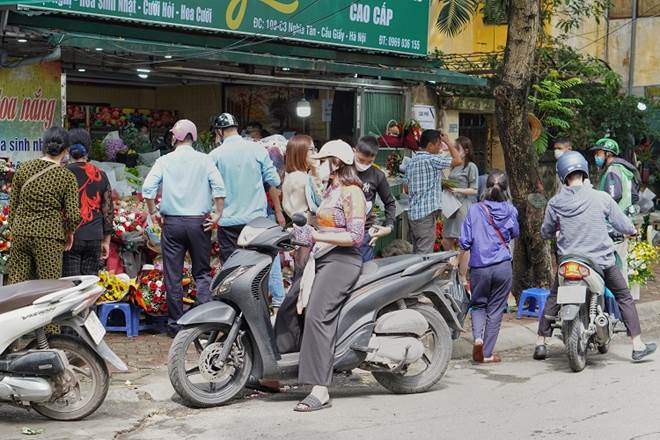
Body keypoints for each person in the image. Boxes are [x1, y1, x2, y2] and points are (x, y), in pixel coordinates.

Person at [533, 151, 656, 361]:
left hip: (569, 261)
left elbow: (545, 231)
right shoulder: (601, 198)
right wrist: (632, 230)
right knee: (624, 296)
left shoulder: (555, 202)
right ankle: (637, 345)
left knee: (554, 296)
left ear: (562, 176)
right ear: (585, 172)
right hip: (599, 260)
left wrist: (554, 232)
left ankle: (541, 343)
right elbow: (623, 224)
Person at [275, 140, 366, 412]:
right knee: (290, 306)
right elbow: (318, 224)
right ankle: (277, 372)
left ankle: (319, 388)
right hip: (322, 256)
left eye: (322, 160)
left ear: (336, 163)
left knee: (317, 315)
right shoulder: (330, 190)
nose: (317, 163)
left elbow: (356, 236)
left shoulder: (352, 193)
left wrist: (316, 235)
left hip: (342, 261)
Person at [142, 119, 226, 337]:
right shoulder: (205, 160)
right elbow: (219, 187)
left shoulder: (164, 160)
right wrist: (217, 214)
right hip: (199, 223)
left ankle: (175, 325)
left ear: (176, 137)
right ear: (192, 136)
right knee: (202, 273)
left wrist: (153, 212)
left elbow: (148, 189)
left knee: (173, 275)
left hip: (172, 224)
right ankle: (205, 325)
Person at [453, 170, 519, 363]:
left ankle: (478, 338)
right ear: (506, 189)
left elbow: (465, 241)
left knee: (479, 305)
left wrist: (458, 260)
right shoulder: (511, 209)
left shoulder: (475, 210)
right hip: (502, 266)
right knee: (496, 309)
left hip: (479, 267)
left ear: (486, 188)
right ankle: (488, 353)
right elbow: (515, 232)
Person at [7, 127, 81, 284]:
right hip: (49, 236)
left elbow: (13, 206)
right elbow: (74, 215)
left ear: (44, 145)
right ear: (66, 150)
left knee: (16, 284)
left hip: (21, 232)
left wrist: (16, 229)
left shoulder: (23, 169)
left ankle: (15, 309)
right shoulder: (67, 176)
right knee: (48, 286)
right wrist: (69, 232)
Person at [209, 113, 284, 262]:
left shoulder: (215, 155)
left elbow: (207, 187)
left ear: (219, 131)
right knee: (258, 266)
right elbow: (274, 180)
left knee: (231, 268)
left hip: (228, 223)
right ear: (237, 128)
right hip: (256, 221)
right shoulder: (258, 149)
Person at [62, 128, 113, 276]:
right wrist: (106, 241)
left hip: (70, 237)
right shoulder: (100, 174)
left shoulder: (63, 173)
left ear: (68, 149)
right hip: (94, 237)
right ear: (88, 149)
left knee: (71, 286)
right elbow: (108, 211)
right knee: (89, 285)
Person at [404, 129, 461, 254]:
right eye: (439, 144)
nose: (441, 147)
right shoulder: (432, 160)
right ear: (430, 145)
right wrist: (448, 142)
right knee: (424, 256)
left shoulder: (410, 162)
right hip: (426, 215)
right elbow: (458, 160)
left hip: (413, 215)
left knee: (417, 253)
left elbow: (406, 188)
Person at [353, 136, 396, 262]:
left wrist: (389, 227)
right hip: (341, 233)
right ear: (355, 151)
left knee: (365, 274)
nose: (364, 165)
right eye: (361, 160)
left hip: (364, 234)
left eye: (369, 161)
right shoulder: (345, 170)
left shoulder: (378, 175)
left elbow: (390, 203)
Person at [442, 136, 479, 283]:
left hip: (463, 206)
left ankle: (463, 276)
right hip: (450, 205)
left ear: (467, 150)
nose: (454, 152)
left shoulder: (471, 167)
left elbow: (474, 190)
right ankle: (451, 271)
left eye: (457, 149)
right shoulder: (454, 165)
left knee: (463, 241)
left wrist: (457, 189)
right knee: (446, 240)